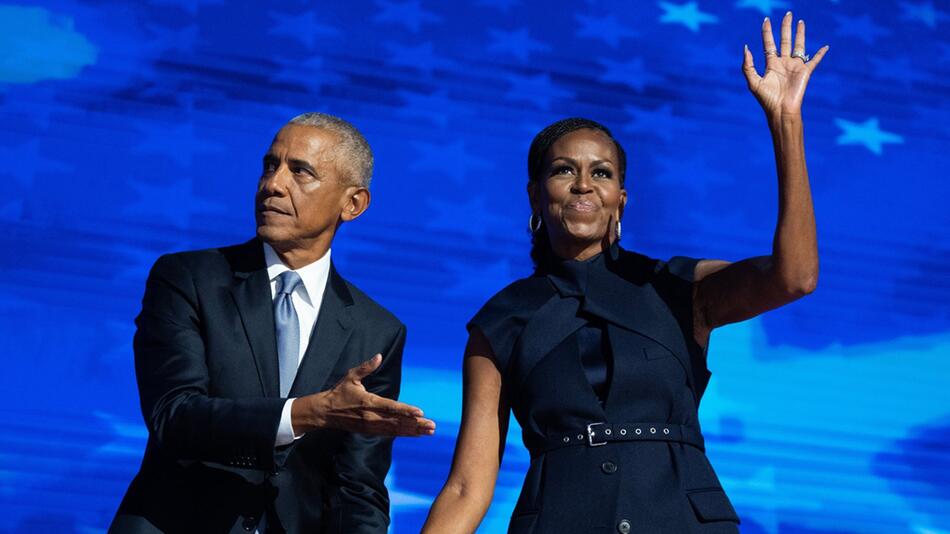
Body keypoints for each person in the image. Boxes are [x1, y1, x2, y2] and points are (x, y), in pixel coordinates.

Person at [422, 12, 826, 534]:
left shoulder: (678, 287)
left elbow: (795, 277)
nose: (583, 185)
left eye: (602, 173)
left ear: (620, 200)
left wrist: (785, 122)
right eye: (564, 170)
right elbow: (466, 486)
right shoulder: (500, 321)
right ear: (535, 195)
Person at [110, 112, 435, 534]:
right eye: (270, 165)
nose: (273, 184)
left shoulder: (377, 331)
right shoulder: (189, 278)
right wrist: (306, 413)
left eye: (300, 171)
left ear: (352, 204)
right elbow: (174, 417)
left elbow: (358, 487)